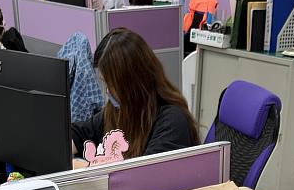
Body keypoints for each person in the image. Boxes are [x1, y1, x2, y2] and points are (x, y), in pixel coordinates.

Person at [71, 28, 199, 160]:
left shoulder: (171, 122)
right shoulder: (117, 111)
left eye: (112, 84)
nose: (108, 91)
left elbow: (144, 175)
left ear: (132, 84)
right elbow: (79, 134)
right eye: (105, 83)